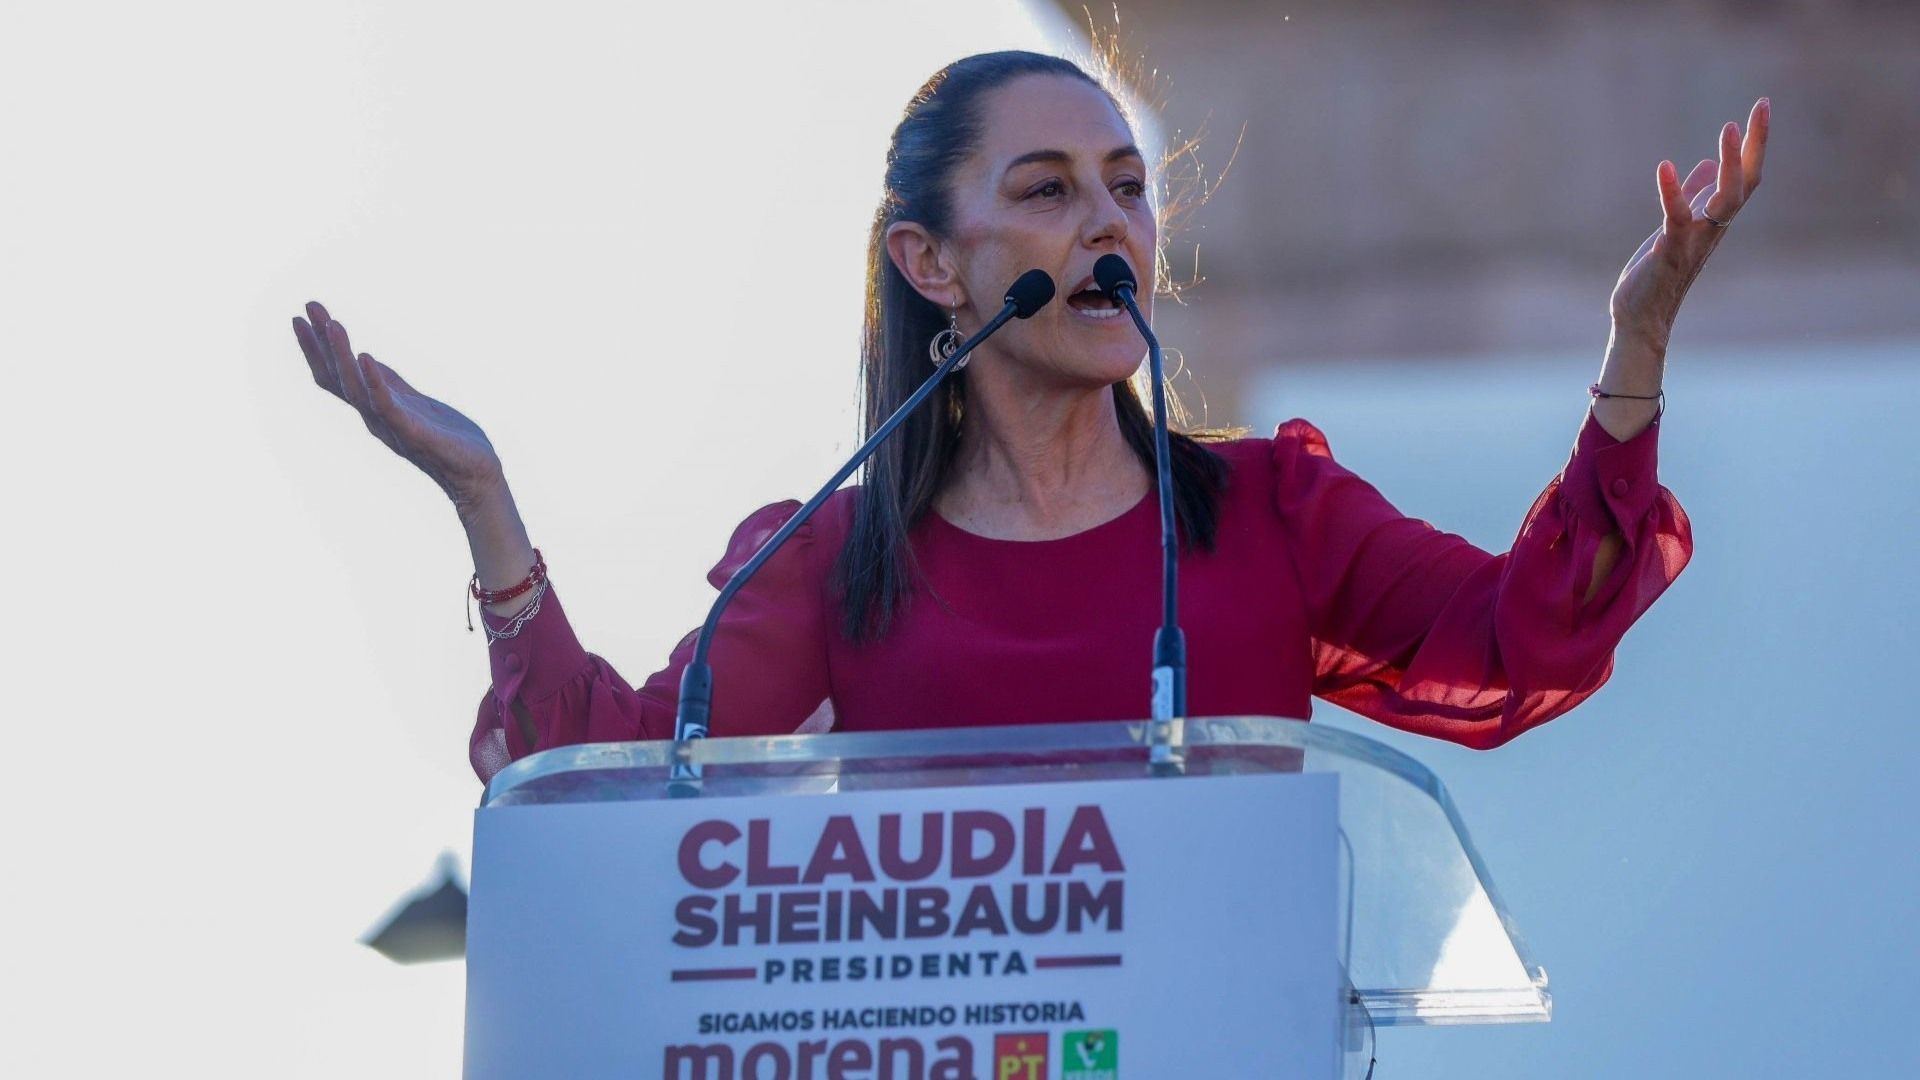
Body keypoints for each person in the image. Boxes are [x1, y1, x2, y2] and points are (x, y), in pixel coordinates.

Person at [291, 52, 1768, 785]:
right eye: (1048, 191)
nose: (1109, 224)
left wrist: (1634, 348)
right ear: (931, 266)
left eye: (1127, 186)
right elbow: (612, 777)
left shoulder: (1271, 514)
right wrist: (484, 505)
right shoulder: (836, 559)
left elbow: (1528, 634)